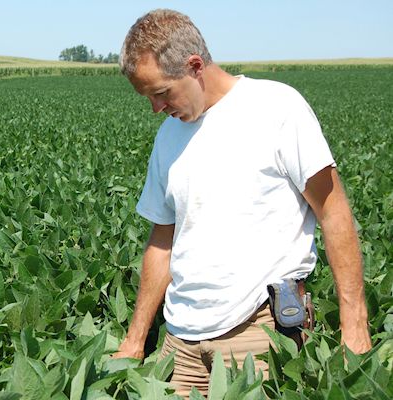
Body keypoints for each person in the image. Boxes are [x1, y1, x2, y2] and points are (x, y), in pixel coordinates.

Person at [111, 8, 372, 397]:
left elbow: (333, 212)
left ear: (195, 65)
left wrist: (355, 323)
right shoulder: (168, 138)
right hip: (180, 345)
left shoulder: (277, 109)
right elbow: (162, 240)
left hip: (259, 334)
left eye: (161, 93)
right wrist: (135, 339)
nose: (156, 109)